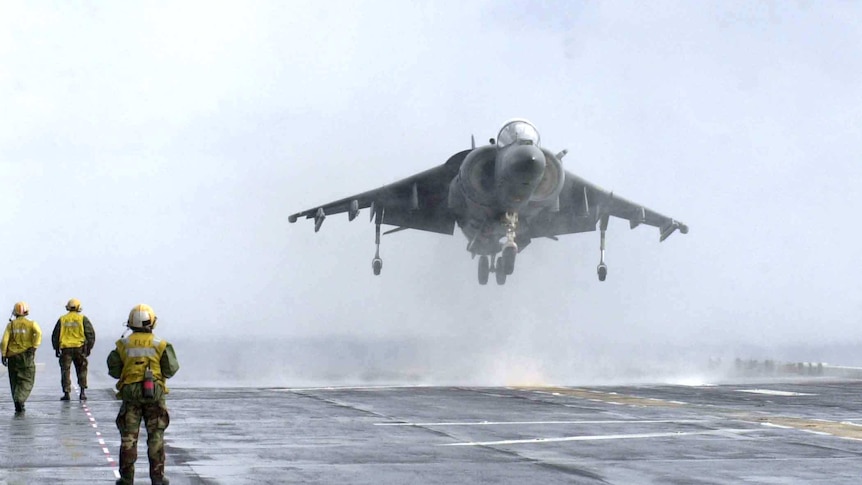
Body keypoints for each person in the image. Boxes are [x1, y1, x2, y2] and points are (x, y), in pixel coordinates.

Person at [107, 304, 179, 485]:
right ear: (152, 322)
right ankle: (157, 477)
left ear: (130, 323)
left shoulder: (123, 344)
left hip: (131, 396)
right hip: (154, 395)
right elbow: (170, 369)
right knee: (156, 437)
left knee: (128, 439)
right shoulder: (161, 344)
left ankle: (126, 479)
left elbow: (114, 369)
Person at [1, 301, 42, 414]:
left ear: (15, 312)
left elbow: (4, 341)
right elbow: (38, 333)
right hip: (26, 355)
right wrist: (34, 346)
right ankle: (20, 400)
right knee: (27, 379)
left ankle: (17, 402)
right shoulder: (31, 324)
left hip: (12, 357)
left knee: (14, 380)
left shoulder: (11, 325)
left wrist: (3, 355)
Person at [52, 298, 96, 401]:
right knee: (82, 370)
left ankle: (66, 393)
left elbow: (55, 335)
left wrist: (56, 348)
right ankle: (82, 392)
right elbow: (90, 334)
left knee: (65, 371)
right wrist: (88, 348)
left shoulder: (62, 319)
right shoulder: (83, 319)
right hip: (79, 348)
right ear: (78, 307)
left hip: (66, 349)